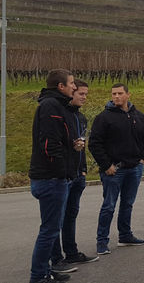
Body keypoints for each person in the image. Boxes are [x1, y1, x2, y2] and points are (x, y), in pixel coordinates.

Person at [28, 69, 81, 283]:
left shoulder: (56, 105)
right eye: (71, 83)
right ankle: (38, 276)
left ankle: (45, 270)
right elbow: (49, 144)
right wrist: (63, 172)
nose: (74, 87)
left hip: (51, 177)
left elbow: (57, 139)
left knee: (49, 228)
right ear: (60, 86)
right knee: (49, 231)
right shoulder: (51, 106)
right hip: (51, 179)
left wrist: (71, 144)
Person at [88, 83, 144, 255]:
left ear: (128, 95)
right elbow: (94, 143)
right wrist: (106, 165)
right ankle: (102, 241)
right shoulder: (104, 117)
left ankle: (125, 235)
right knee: (108, 206)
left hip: (134, 168)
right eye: (114, 93)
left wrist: (143, 157)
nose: (116, 96)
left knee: (127, 204)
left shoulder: (139, 116)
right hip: (114, 170)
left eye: (120, 93)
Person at [51, 79, 100, 269]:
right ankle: (56, 258)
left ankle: (71, 252)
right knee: (56, 218)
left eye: (87, 94)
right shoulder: (60, 114)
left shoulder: (81, 118)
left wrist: (84, 169)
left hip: (78, 173)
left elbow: (81, 146)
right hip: (63, 174)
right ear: (71, 93)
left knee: (71, 214)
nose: (84, 97)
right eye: (81, 93)